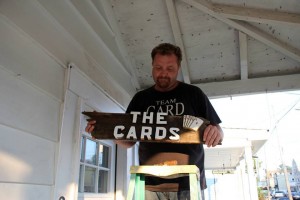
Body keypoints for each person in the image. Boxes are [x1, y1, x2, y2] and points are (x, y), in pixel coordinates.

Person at [86, 43, 224, 200]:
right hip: (149, 184)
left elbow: (218, 132)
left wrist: (216, 132)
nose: (163, 73)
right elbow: (128, 140)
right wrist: (106, 130)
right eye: (158, 68)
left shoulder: (194, 94)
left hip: (188, 184)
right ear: (152, 66)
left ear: (178, 68)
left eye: (170, 69)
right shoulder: (140, 99)